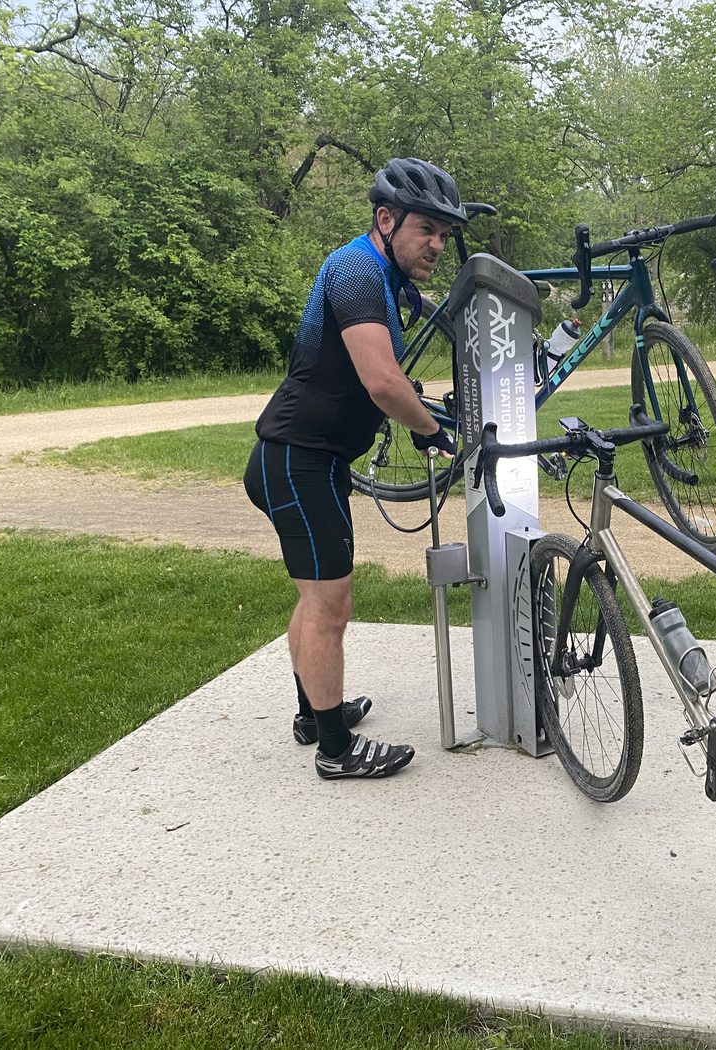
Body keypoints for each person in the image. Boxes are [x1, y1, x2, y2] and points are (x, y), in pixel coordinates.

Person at [244, 158, 463, 781]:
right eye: (427, 230)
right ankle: (336, 750)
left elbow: (435, 311)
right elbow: (382, 381)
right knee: (330, 606)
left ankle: (315, 714)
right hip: (297, 459)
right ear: (386, 219)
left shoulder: (388, 279)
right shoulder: (355, 271)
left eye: (445, 235)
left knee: (316, 597)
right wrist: (434, 430)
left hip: (310, 458)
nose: (437, 245)